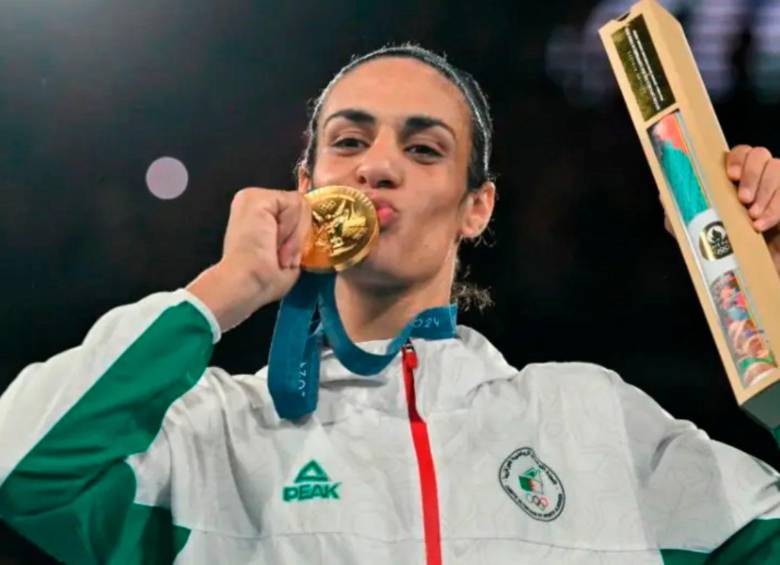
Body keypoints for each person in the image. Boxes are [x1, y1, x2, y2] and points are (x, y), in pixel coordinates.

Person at [1, 44, 779, 565]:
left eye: (423, 147)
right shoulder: (214, 435)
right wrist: (220, 293)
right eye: (348, 141)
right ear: (306, 188)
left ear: (476, 208)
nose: (378, 166)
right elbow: (21, 474)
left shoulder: (591, 420)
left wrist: (772, 294)